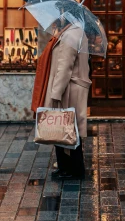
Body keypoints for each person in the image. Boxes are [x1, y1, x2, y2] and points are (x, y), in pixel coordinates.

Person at [32, 17, 91, 180]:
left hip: (68, 89)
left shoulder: (71, 35)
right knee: (63, 128)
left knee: (68, 129)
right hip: (68, 88)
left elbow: (65, 68)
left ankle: (75, 170)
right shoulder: (68, 33)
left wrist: (55, 93)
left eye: (60, 16)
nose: (56, 19)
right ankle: (65, 167)